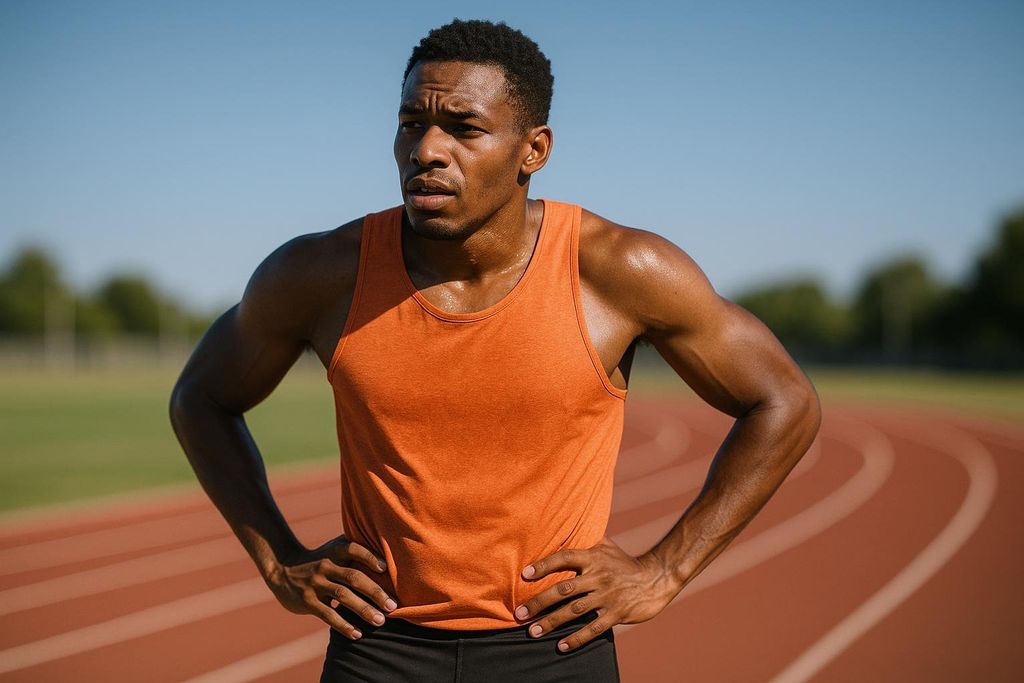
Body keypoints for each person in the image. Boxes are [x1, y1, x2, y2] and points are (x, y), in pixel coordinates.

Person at [169, 18, 821, 683]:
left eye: (463, 128)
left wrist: (664, 569)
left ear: (532, 150)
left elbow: (784, 399)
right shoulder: (321, 274)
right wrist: (280, 562)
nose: (427, 148)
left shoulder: (618, 271)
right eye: (410, 124)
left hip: (554, 645)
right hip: (377, 647)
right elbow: (201, 396)